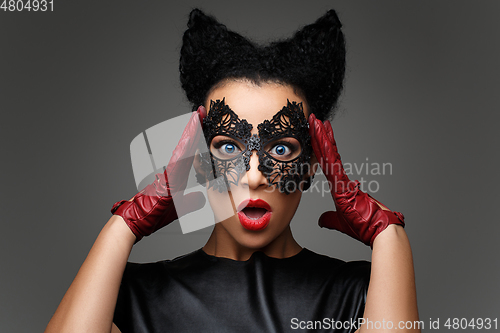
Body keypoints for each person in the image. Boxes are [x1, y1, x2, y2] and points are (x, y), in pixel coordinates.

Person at [45, 8, 419, 333]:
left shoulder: (358, 297)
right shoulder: (136, 295)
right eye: (228, 146)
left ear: (311, 165)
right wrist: (124, 225)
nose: (254, 176)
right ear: (198, 161)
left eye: (281, 148)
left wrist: (388, 235)